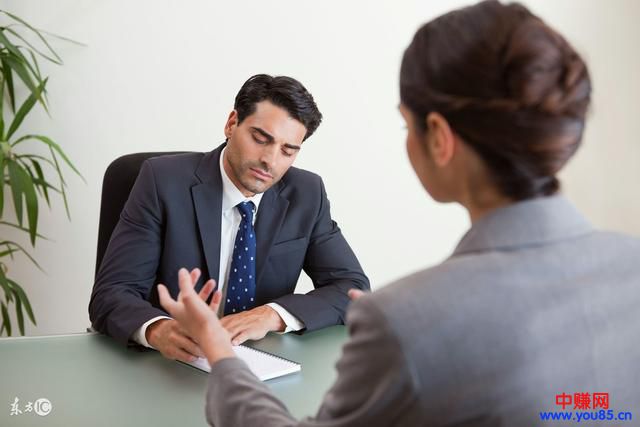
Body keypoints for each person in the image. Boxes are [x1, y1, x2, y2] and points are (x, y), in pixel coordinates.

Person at [158, 1, 640, 425]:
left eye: (405, 122)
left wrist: (220, 352)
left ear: (438, 136)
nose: (271, 159)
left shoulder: (406, 320)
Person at [89, 74, 370, 363]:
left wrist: (272, 315)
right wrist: (159, 330)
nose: (270, 161)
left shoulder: (307, 194)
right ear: (232, 123)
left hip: (258, 365)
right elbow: (111, 294)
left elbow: (352, 288)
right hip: (166, 365)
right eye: (261, 139)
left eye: (288, 151)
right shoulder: (162, 181)